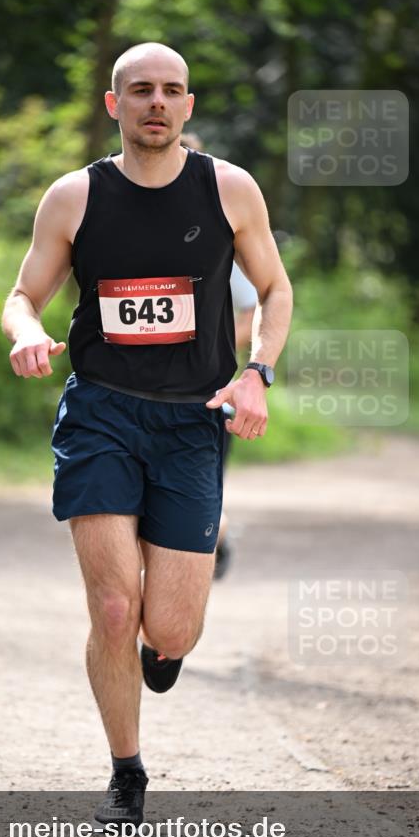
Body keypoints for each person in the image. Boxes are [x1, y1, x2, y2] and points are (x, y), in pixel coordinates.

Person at [1, 42, 293, 826]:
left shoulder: (228, 189)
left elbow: (272, 287)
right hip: (100, 411)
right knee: (109, 607)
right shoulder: (73, 197)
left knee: (168, 627)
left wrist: (255, 372)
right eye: (139, 91)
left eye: (170, 91)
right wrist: (24, 330)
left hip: (192, 421)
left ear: (188, 106)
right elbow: (23, 293)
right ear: (114, 105)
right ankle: (125, 772)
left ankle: (162, 653)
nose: (155, 103)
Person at [180, 131, 259, 580]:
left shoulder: (220, 238)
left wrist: (214, 348)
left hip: (209, 393)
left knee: (202, 495)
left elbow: (254, 308)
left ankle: (218, 536)